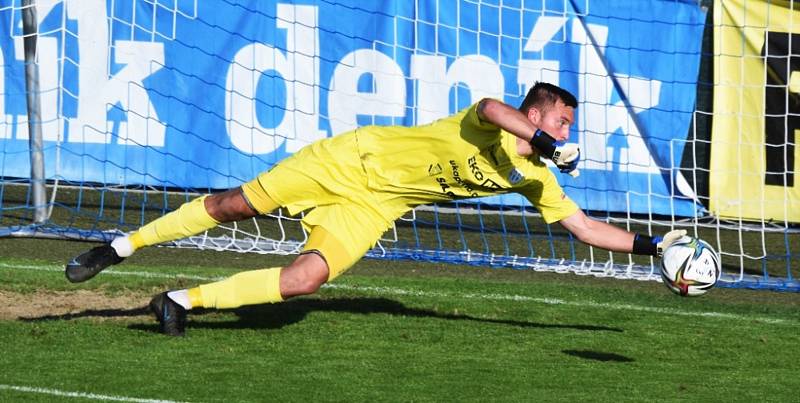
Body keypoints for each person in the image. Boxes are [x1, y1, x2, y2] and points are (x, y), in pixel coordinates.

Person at [65, 82, 685, 336]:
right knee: (235, 205)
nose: (567, 130)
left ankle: (178, 301)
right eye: (560, 120)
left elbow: (581, 227)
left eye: (567, 125)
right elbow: (494, 107)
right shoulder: (494, 125)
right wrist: (548, 142)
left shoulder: (535, 177)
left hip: (376, 205)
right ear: (537, 113)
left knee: (306, 279)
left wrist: (656, 249)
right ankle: (119, 247)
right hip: (348, 160)